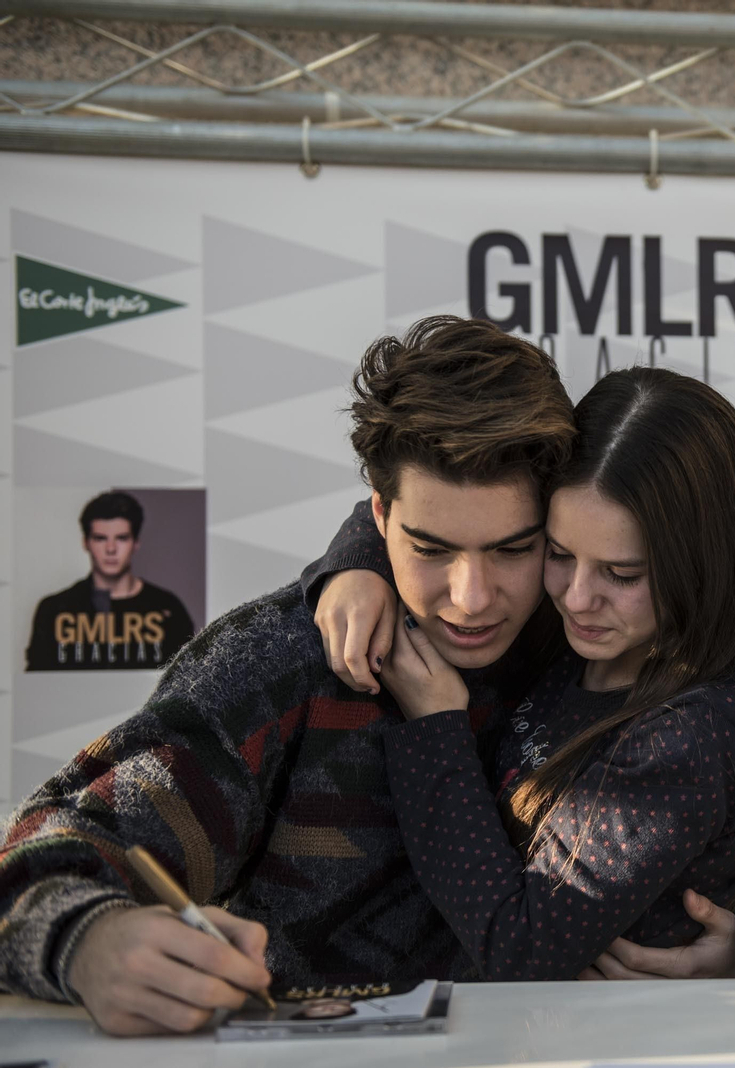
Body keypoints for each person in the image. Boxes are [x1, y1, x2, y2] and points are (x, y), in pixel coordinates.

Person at [0, 316, 574, 1034]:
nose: (472, 598)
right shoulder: (281, 664)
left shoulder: (597, 644)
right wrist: (89, 942)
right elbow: (38, 860)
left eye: (513, 550)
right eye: (430, 549)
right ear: (378, 515)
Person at [303, 365, 735, 984]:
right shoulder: (577, 635)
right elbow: (429, 506)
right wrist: (357, 564)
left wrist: (434, 727)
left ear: (705, 562)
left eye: (622, 574)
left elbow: (521, 953)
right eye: (557, 554)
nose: (577, 598)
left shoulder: (690, 738)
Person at [25, 491, 196, 671]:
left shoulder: (168, 609)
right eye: (100, 538)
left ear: (136, 543)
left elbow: (190, 680)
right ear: (86, 543)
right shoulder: (54, 611)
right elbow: (36, 683)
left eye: (122, 538)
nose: (111, 549)